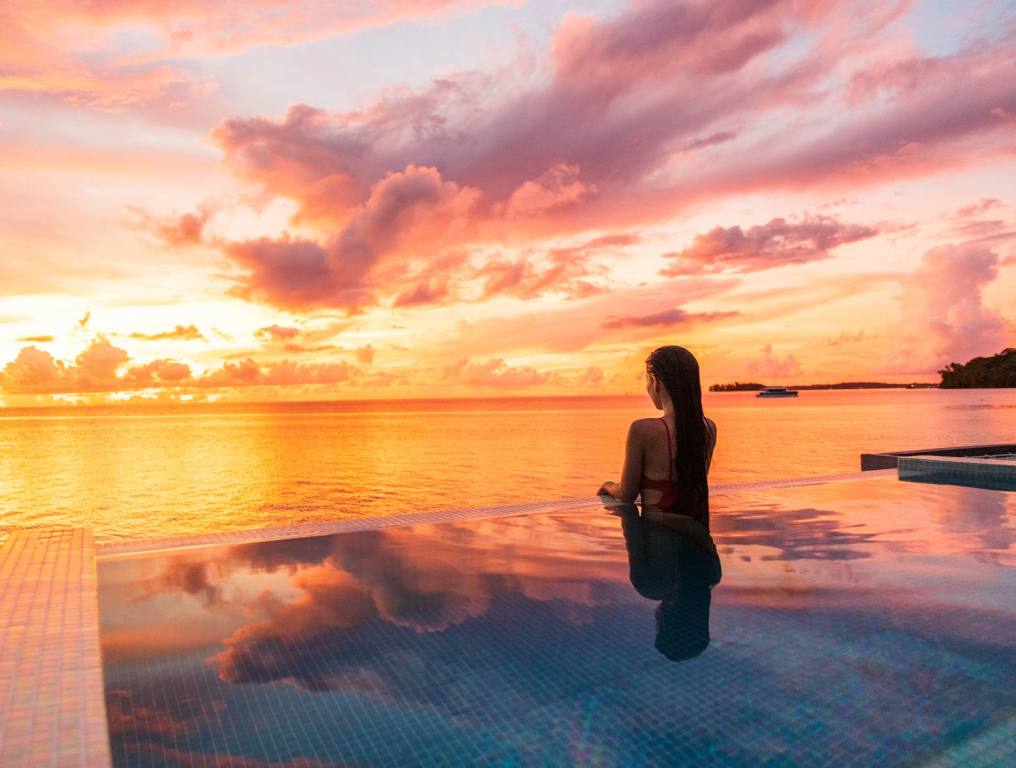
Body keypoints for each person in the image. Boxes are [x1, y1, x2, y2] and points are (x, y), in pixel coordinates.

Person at [597, 345, 717, 529]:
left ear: (655, 381)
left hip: (660, 540)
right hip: (699, 537)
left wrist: (607, 486)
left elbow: (626, 494)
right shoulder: (709, 428)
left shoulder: (642, 429)